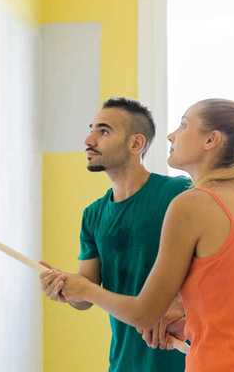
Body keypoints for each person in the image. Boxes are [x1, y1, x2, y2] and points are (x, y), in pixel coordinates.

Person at [52, 99, 234, 371]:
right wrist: (188, 321)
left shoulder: (191, 204)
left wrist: (86, 290)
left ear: (211, 140)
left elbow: (144, 313)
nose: (171, 134)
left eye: (184, 125)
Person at [40, 97, 190, 371]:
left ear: (136, 144)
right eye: (91, 129)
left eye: (104, 131)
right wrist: (65, 289)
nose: (89, 139)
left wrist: (183, 304)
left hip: (182, 359)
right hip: (124, 363)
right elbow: (87, 294)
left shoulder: (179, 193)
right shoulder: (93, 215)